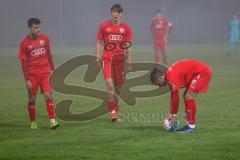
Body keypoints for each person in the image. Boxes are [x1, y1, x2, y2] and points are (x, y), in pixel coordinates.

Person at [18, 18, 59, 129]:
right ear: (30, 28)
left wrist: (52, 69)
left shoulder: (44, 39)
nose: (38, 29)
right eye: (36, 27)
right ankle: (33, 122)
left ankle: (52, 121)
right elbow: (24, 63)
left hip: (45, 73)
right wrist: (27, 79)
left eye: (39, 27)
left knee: (48, 95)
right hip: (32, 76)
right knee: (32, 98)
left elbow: (49, 54)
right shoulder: (24, 44)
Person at [151, 59, 212, 133]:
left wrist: (173, 116)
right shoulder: (168, 76)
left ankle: (191, 127)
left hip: (202, 72)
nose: (159, 86)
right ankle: (189, 125)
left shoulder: (170, 77)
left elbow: (175, 97)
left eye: (157, 84)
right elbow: (173, 97)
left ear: (160, 78)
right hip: (199, 72)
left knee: (188, 97)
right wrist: (172, 114)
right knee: (187, 97)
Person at [96, 4, 132, 122]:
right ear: (111, 13)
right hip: (107, 60)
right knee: (110, 86)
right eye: (113, 12)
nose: (115, 14)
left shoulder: (126, 28)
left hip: (120, 61)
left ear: (121, 14)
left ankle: (116, 110)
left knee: (118, 88)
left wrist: (129, 62)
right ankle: (113, 115)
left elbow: (128, 45)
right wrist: (97, 58)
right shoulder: (104, 26)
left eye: (118, 12)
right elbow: (99, 42)